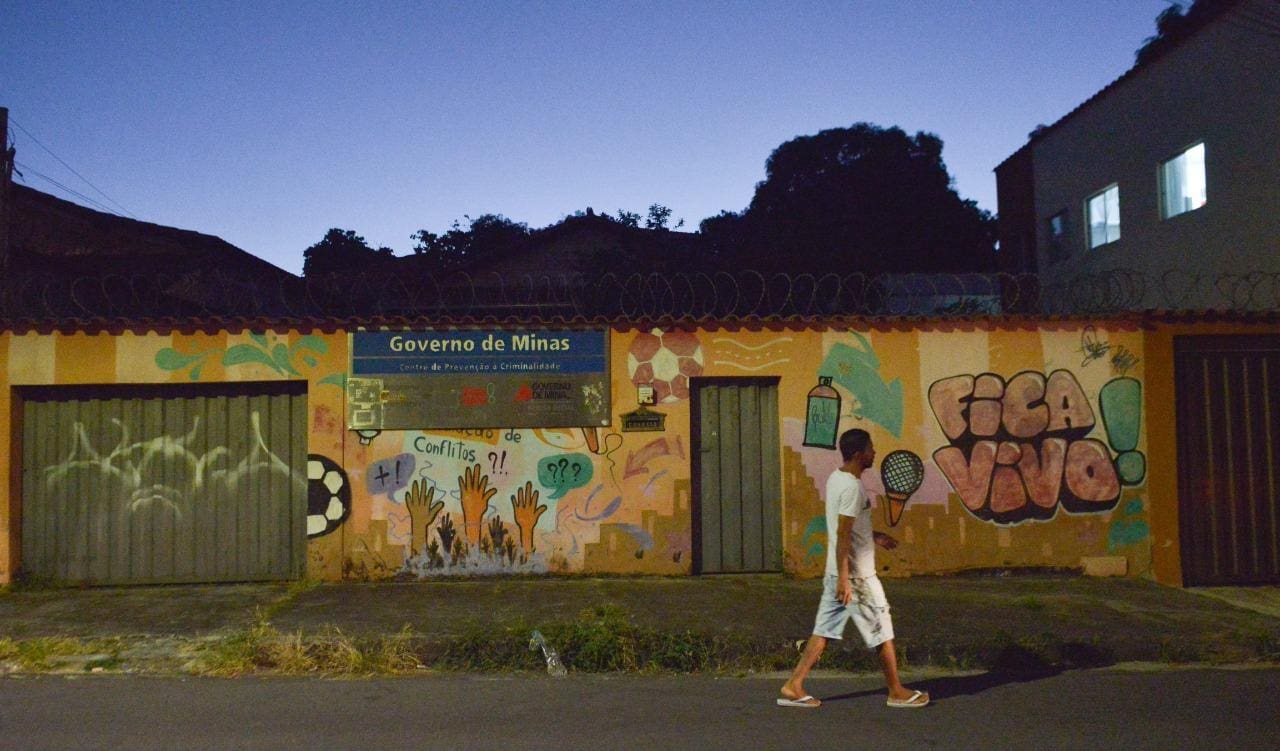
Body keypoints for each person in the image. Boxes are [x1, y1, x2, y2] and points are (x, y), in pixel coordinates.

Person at [777, 428, 929, 709]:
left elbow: (848, 528)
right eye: (871, 449)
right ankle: (896, 691)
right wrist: (845, 580)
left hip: (839, 572)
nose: (874, 453)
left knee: (823, 631)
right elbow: (844, 534)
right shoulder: (852, 488)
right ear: (859, 454)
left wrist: (875, 536)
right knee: (882, 629)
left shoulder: (838, 479)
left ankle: (793, 685)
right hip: (856, 576)